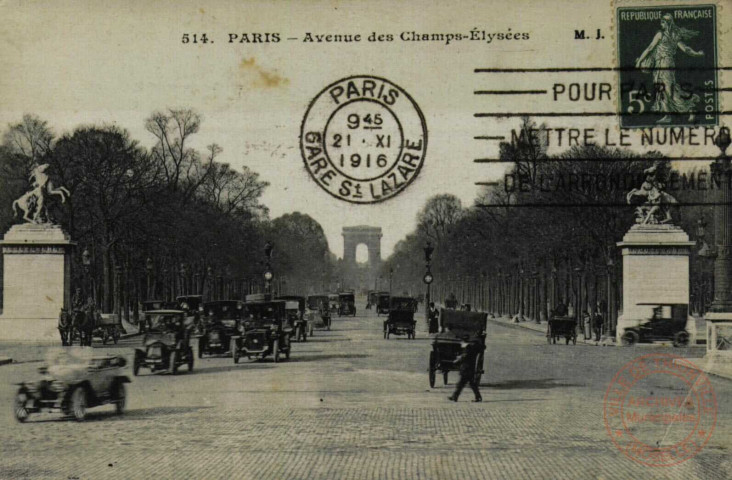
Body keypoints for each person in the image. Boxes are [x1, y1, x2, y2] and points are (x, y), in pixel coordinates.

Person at [635, 13, 704, 124]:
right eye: (661, 21)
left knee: (668, 90)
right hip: (663, 64)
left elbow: (650, 48)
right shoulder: (674, 35)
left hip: (664, 64)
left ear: (668, 23)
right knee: (661, 89)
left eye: (663, 22)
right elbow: (686, 49)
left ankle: (691, 110)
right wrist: (696, 54)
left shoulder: (661, 34)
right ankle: (667, 115)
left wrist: (639, 61)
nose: (661, 24)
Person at [448, 336, 482, 402]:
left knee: (460, 384)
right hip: (469, 369)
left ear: (463, 341)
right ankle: (478, 397)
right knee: (471, 384)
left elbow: (464, 357)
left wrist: (457, 360)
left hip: (466, 369)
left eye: (461, 341)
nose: (460, 343)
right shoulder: (468, 348)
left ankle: (455, 397)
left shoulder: (467, 348)